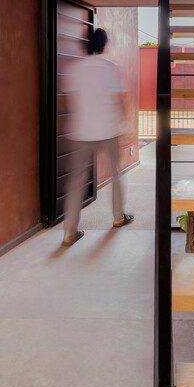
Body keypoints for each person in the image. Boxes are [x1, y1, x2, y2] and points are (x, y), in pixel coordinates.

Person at [62, 28, 134, 247]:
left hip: (81, 131)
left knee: (76, 181)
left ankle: (69, 232)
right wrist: (125, 126)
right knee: (116, 173)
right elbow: (119, 100)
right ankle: (118, 216)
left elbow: (70, 101)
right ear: (104, 44)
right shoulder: (111, 67)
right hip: (108, 130)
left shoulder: (74, 69)